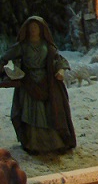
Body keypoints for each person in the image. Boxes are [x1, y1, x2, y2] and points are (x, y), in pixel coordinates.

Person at [0, 16, 76, 155]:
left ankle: (54, 143)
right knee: (31, 114)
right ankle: (33, 144)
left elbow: (58, 59)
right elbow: (5, 57)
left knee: (50, 113)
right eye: (31, 27)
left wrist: (61, 70)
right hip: (29, 83)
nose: (33, 29)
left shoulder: (47, 46)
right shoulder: (22, 46)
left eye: (36, 27)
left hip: (46, 82)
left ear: (41, 29)